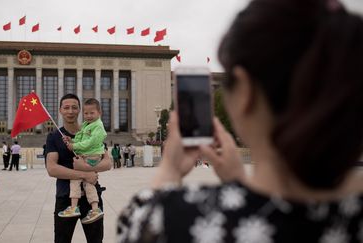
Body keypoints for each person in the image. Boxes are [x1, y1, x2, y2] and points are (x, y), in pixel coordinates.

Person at [117, 0, 363, 242]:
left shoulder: (178, 220)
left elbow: (136, 227)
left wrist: (169, 169)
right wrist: (240, 183)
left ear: (245, 92)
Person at [45, 93, 112, 243]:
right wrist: (85, 174)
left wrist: (86, 170)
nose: (70, 111)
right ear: (60, 110)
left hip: (92, 199)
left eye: (74, 107)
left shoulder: (91, 131)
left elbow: (107, 163)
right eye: (66, 107)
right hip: (65, 198)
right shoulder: (55, 137)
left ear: (80, 110)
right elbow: (52, 169)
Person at [58, 98, 107, 224]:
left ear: (99, 113)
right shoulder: (86, 125)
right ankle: (95, 209)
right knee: (88, 183)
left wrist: (75, 147)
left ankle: (74, 207)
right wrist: (72, 141)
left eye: (92, 113)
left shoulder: (98, 126)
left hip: (91, 156)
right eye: (86, 113)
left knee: (75, 179)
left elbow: (91, 142)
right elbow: (80, 138)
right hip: (87, 155)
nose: (89, 116)